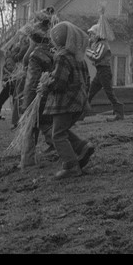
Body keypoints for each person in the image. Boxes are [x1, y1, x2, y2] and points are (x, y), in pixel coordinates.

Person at [38, 22, 94, 180]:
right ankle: (83, 146)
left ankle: (71, 166)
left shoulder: (62, 56)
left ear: (58, 40)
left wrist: (47, 84)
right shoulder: (79, 57)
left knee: (57, 135)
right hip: (78, 102)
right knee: (61, 130)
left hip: (64, 103)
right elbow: (87, 80)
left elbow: (60, 83)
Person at [18, 27, 57, 170]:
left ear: (32, 40)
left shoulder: (35, 56)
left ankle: (27, 161)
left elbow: (32, 81)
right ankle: (64, 147)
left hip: (36, 96)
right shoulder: (52, 53)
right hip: (47, 94)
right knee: (46, 124)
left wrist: (26, 102)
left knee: (30, 127)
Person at [86, 23, 125, 121]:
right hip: (100, 71)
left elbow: (96, 56)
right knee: (90, 92)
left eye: (92, 34)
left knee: (109, 93)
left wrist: (85, 50)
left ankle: (119, 113)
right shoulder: (98, 44)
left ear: (98, 35)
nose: (90, 36)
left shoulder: (103, 44)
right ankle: (83, 112)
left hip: (104, 71)